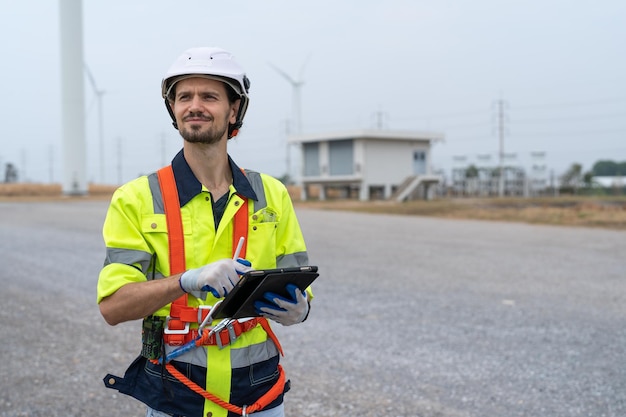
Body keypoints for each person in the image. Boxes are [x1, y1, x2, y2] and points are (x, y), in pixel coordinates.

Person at [97, 46, 314, 417]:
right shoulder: (135, 199)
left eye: (209, 96)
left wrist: (301, 309)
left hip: (258, 395)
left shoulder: (272, 195)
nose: (194, 105)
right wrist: (186, 281)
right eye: (184, 96)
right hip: (175, 392)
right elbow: (114, 307)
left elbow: (300, 287)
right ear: (173, 108)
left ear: (234, 110)